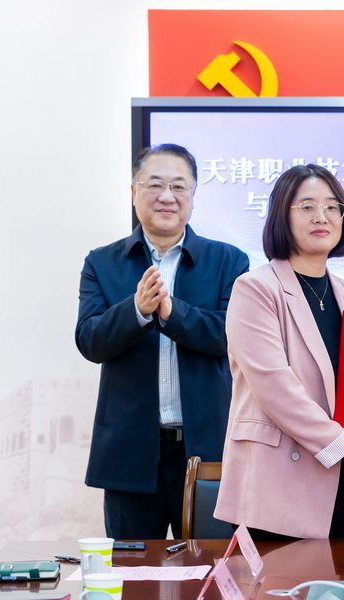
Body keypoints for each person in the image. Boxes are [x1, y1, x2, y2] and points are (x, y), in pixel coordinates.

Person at [76, 144, 250, 539]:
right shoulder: (101, 263)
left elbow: (231, 337)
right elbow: (90, 340)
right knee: (132, 569)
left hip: (208, 454)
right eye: (154, 185)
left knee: (214, 567)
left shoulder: (229, 261)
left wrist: (173, 314)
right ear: (133, 192)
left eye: (178, 186)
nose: (167, 196)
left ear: (193, 195)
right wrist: (136, 310)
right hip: (130, 453)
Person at [214, 164, 344, 539]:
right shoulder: (255, 288)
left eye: (332, 207)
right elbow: (276, 389)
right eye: (307, 206)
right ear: (283, 215)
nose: (321, 217)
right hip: (280, 481)